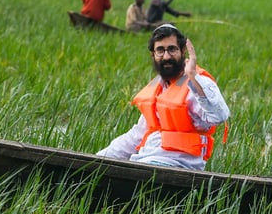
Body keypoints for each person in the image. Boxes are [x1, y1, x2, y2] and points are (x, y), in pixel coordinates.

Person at [97, 24, 229, 170]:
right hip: (144, 160)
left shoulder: (196, 83)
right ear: (153, 55)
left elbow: (219, 116)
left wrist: (193, 77)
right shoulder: (158, 87)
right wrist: (98, 159)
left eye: (172, 49)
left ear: (183, 51)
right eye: (160, 50)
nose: (166, 56)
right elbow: (136, 136)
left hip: (179, 166)